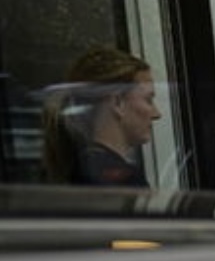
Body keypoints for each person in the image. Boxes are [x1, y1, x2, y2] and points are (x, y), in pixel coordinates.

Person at [41, 45, 159, 188]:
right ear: (118, 103)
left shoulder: (78, 170)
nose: (157, 114)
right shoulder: (123, 180)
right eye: (148, 100)